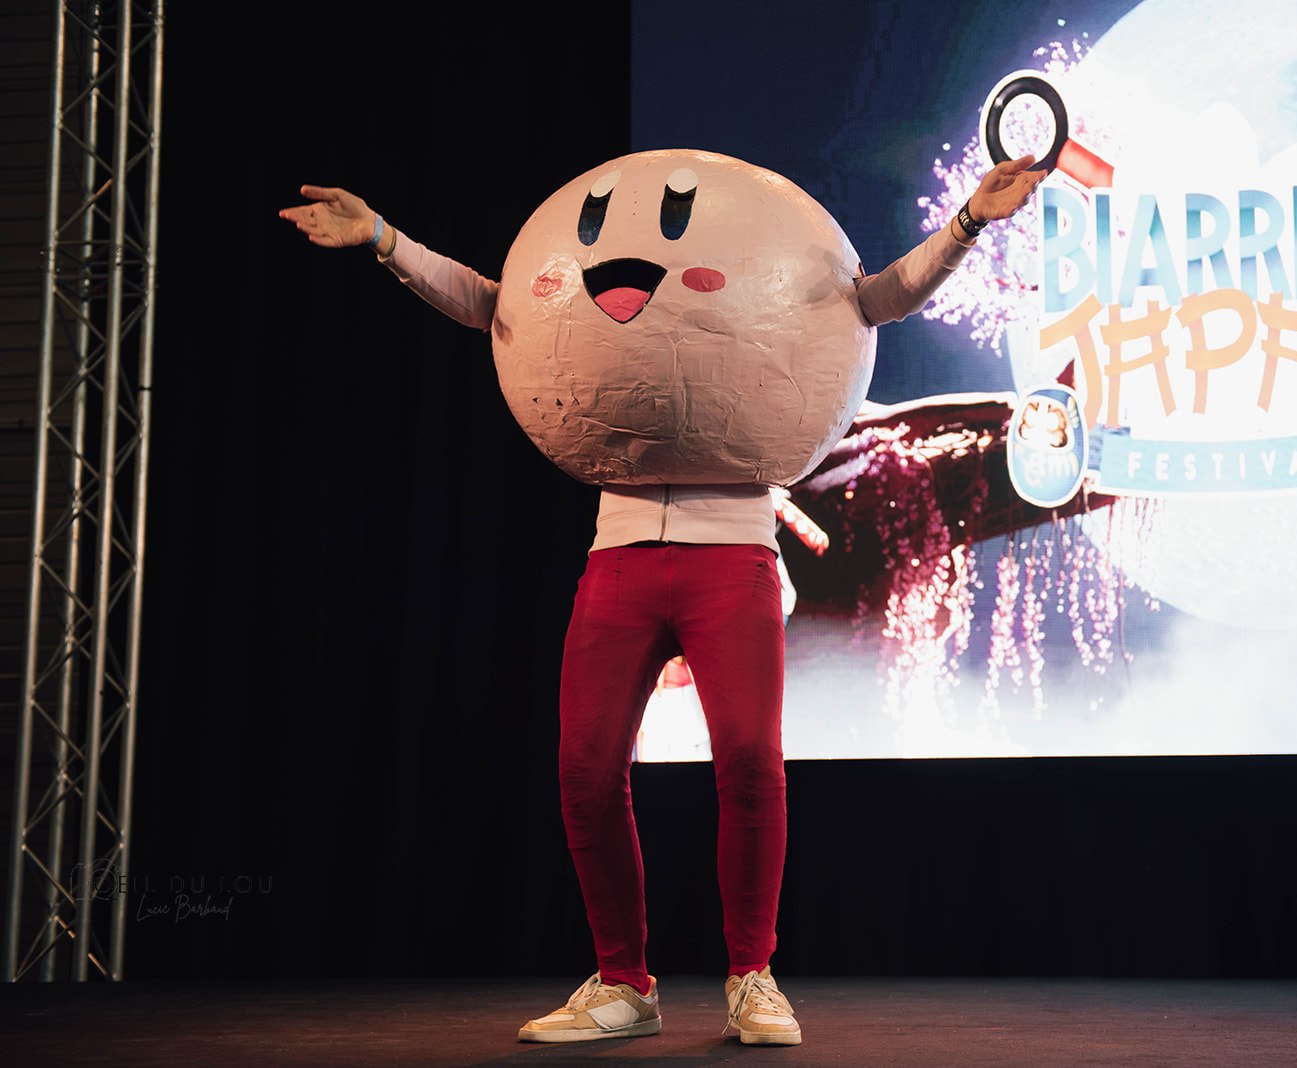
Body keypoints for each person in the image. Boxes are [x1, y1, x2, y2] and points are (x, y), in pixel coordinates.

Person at [279, 153, 1044, 1045]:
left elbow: (880, 296)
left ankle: (753, 976)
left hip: (734, 555)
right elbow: (496, 303)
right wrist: (383, 238)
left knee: (750, 761)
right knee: (584, 770)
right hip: (621, 557)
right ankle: (623, 982)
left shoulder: (777, 266)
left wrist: (969, 221)